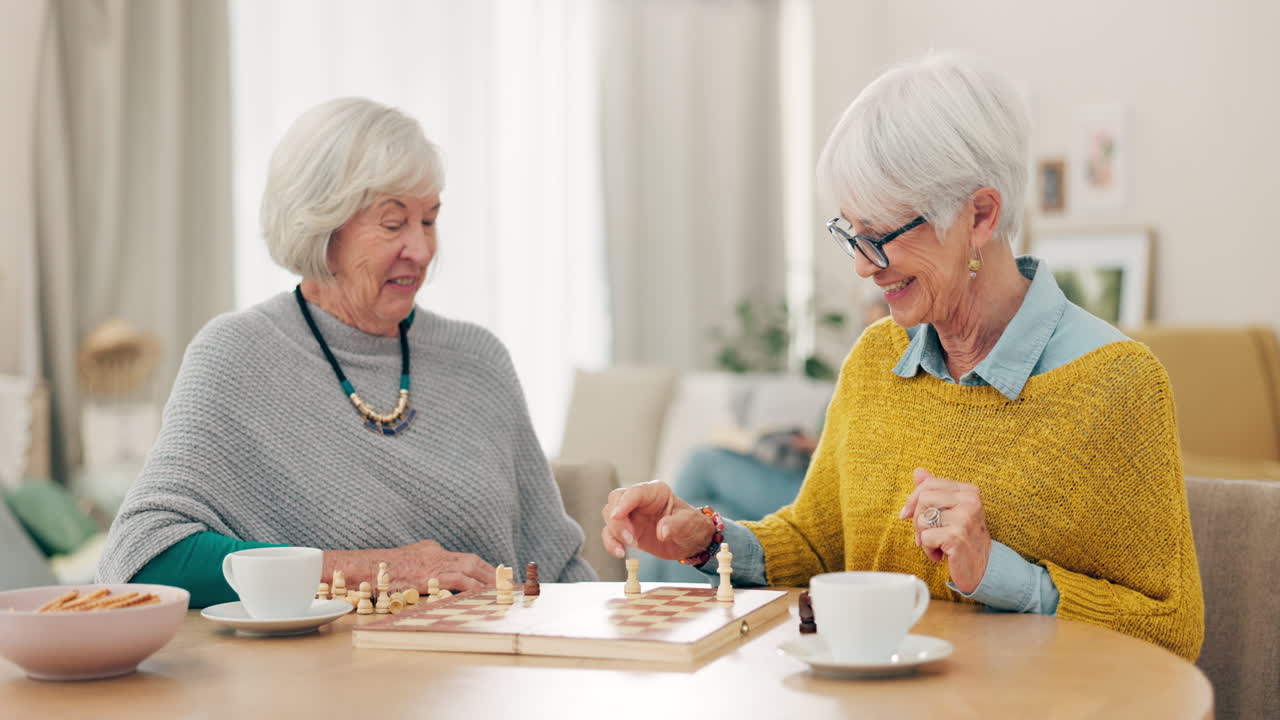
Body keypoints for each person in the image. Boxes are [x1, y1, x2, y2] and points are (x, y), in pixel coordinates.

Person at [601, 54, 1204, 661]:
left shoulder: (1116, 383)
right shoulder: (875, 361)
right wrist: (706, 538)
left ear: (980, 215)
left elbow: (1170, 628)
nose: (863, 265)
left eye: (883, 235)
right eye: (851, 234)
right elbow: (816, 546)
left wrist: (997, 571)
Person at [98, 98, 596, 606]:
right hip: (322, 679)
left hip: (492, 672)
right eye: (392, 222)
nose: (421, 251)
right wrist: (371, 569)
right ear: (321, 226)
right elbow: (142, 559)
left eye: (429, 220)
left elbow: (557, 568)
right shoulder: (237, 355)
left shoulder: (479, 360)